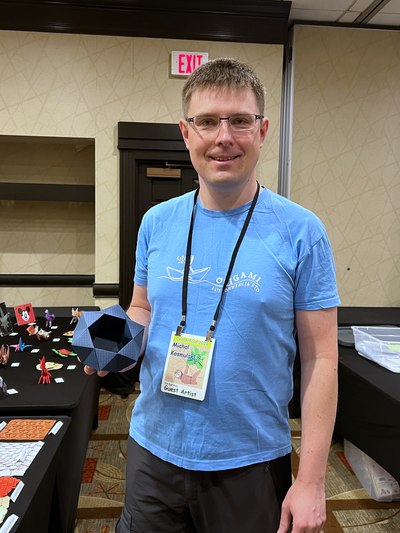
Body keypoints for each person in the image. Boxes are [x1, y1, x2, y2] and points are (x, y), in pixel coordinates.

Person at [85, 58, 340, 533]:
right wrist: (114, 343)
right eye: (207, 121)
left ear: (261, 131)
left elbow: (322, 357)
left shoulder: (302, 232)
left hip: (250, 459)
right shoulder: (156, 222)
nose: (223, 136)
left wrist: (312, 480)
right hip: (153, 449)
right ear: (187, 133)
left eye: (239, 120)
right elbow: (143, 307)